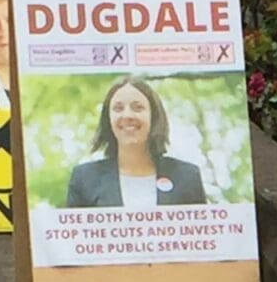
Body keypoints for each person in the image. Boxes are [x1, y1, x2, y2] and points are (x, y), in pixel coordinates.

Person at [65, 76, 207, 208]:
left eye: (137, 107)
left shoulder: (187, 177)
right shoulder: (84, 179)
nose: (127, 115)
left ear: (154, 117)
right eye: (118, 108)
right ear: (108, 119)